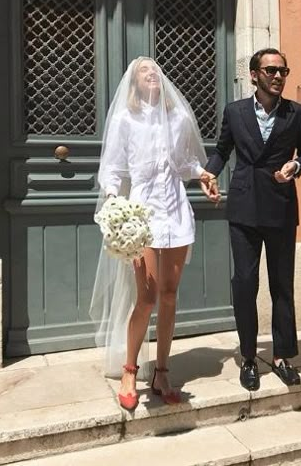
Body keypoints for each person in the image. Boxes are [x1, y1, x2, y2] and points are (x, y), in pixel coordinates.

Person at [90, 57, 213, 410]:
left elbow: (186, 163)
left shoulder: (179, 119)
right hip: (142, 214)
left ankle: (162, 371)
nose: (152, 73)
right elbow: (112, 167)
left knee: (171, 295)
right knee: (147, 296)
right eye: (144, 71)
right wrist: (114, 204)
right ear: (135, 83)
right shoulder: (125, 119)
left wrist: (204, 177)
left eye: (155, 70)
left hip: (176, 212)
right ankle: (130, 370)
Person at [200, 48, 301, 391]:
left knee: (282, 285)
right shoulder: (235, 112)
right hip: (245, 206)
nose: (278, 76)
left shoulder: (296, 113)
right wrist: (209, 175)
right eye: (270, 71)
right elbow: (222, 150)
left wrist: (295, 167)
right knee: (245, 283)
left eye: (283, 71)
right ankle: (249, 356)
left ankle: (282, 356)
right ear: (254, 75)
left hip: (280, 205)